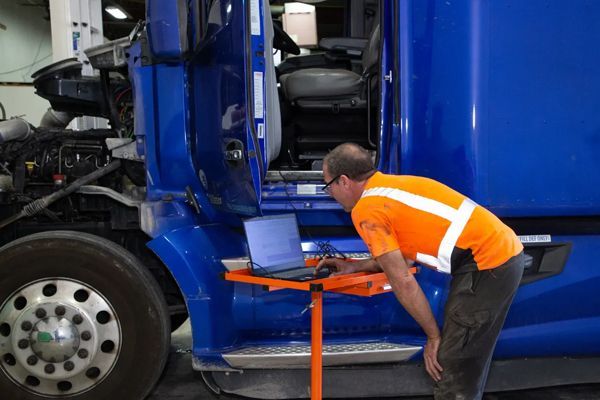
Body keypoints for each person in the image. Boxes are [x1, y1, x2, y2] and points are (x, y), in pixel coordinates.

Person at [316, 143, 525, 399]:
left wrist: (433, 337)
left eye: (329, 187)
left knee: (451, 366)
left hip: (487, 262)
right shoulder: (391, 186)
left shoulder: (366, 210)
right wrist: (356, 266)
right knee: (465, 362)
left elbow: (402, 279)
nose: (331, 195)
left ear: (345, 181)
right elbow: (398, 256)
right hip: (500, 255)